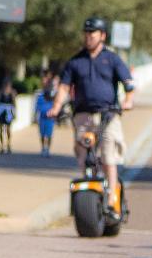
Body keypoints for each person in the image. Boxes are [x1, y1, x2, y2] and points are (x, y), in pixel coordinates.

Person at [48, 17, 136, 213]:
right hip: (83, 116)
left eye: (92, 33)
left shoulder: (111, 59)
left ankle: (112, 197)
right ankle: (90, 192)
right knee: (84, 155)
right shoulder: (75, 61)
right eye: (86, 33)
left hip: (108, 115)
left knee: (108, 155)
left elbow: (128, 83)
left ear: (102, 36)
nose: (88, 37)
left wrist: (128, 100)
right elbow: (64, 87)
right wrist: (56, 106)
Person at [34, 72, 59, 156]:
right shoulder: (39, 94)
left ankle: (48, 149)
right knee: (42, 134)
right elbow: (36, 106)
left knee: (49, 134)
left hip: (50, 118)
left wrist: (55, 114)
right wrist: (35, 116)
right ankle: (42, 148)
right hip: (42, 117)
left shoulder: (53, 93)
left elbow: (56, 103)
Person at [0, 79, 17, 154]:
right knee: (1, 130)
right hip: (1, 112)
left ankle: (8, 145)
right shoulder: (0, 93)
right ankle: (1, 146)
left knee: (8, 129)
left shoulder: (12, 93)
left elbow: (14, 104)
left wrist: (14, 113)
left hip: (9, 113)